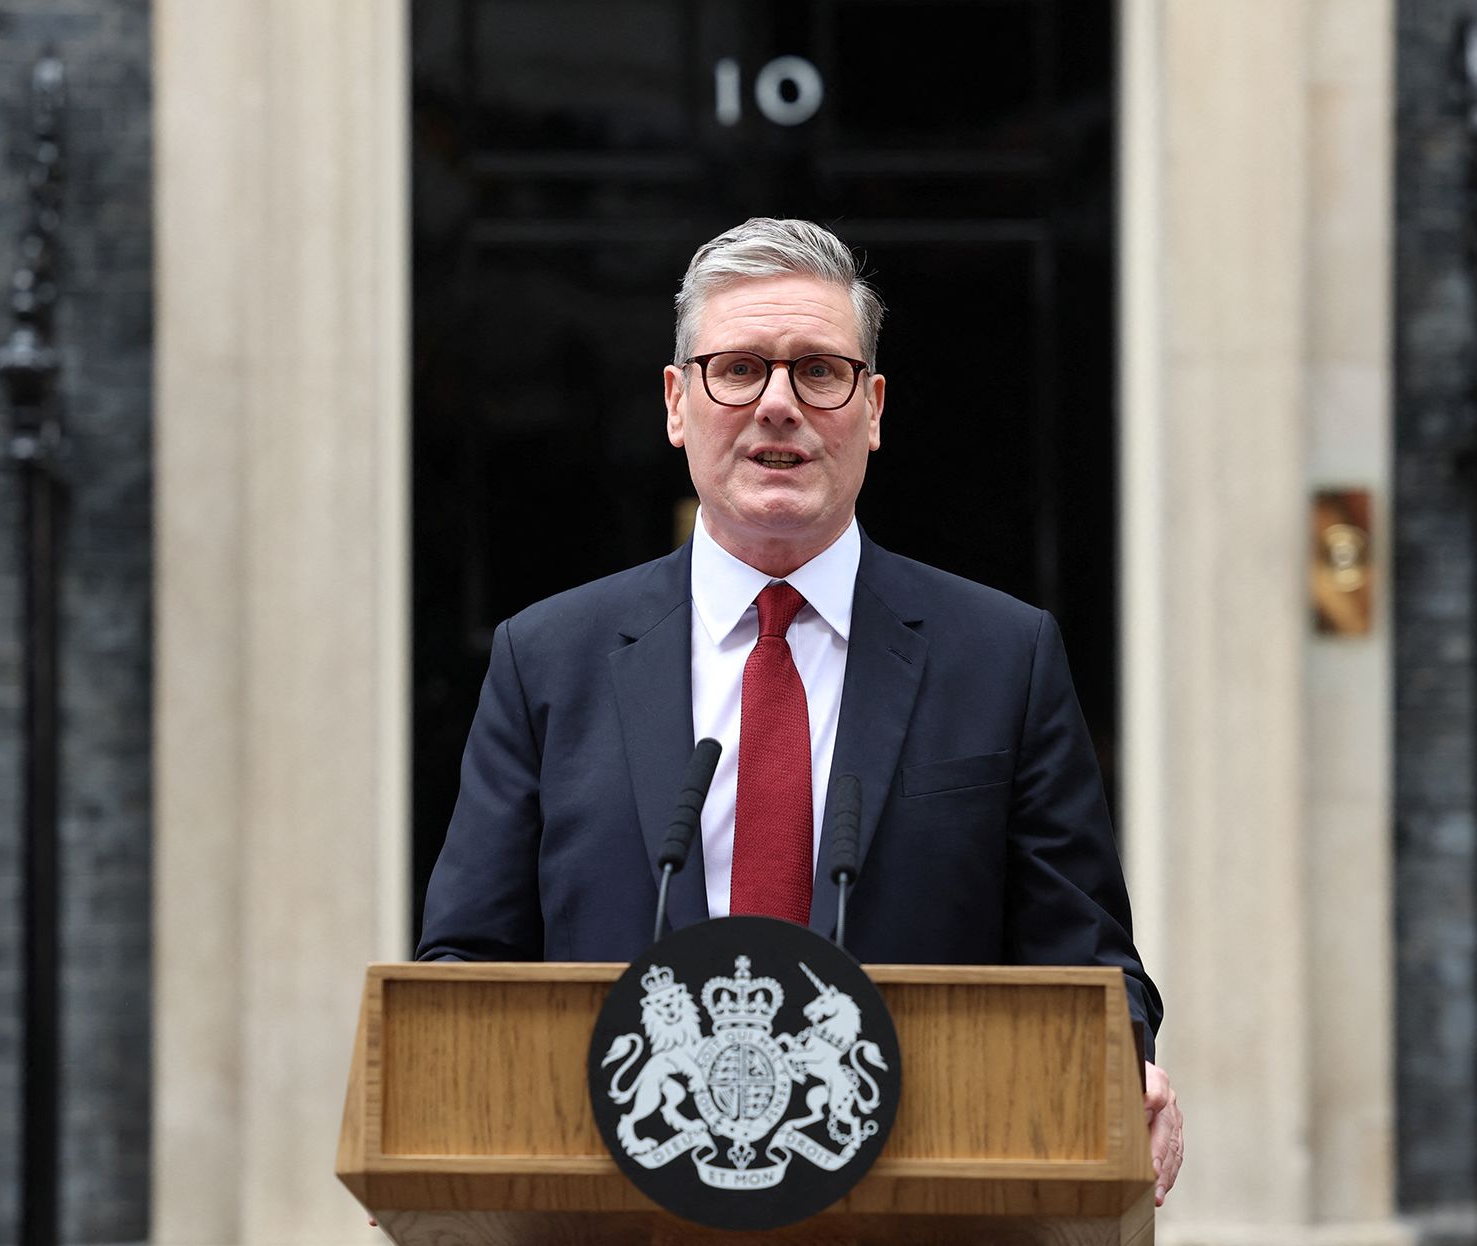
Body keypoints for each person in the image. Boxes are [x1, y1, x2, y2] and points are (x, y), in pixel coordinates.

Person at [418, 218, 1183, 1204]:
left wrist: (1125, 1061)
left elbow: (1087, 965)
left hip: (924, 1212)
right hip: (613, 1216)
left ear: (870, 410)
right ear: (675, 404)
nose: (776, 404)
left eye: (818, 372)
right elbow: (466, 969)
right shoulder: (547, 659)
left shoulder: (1000, 659)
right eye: (736, 369)